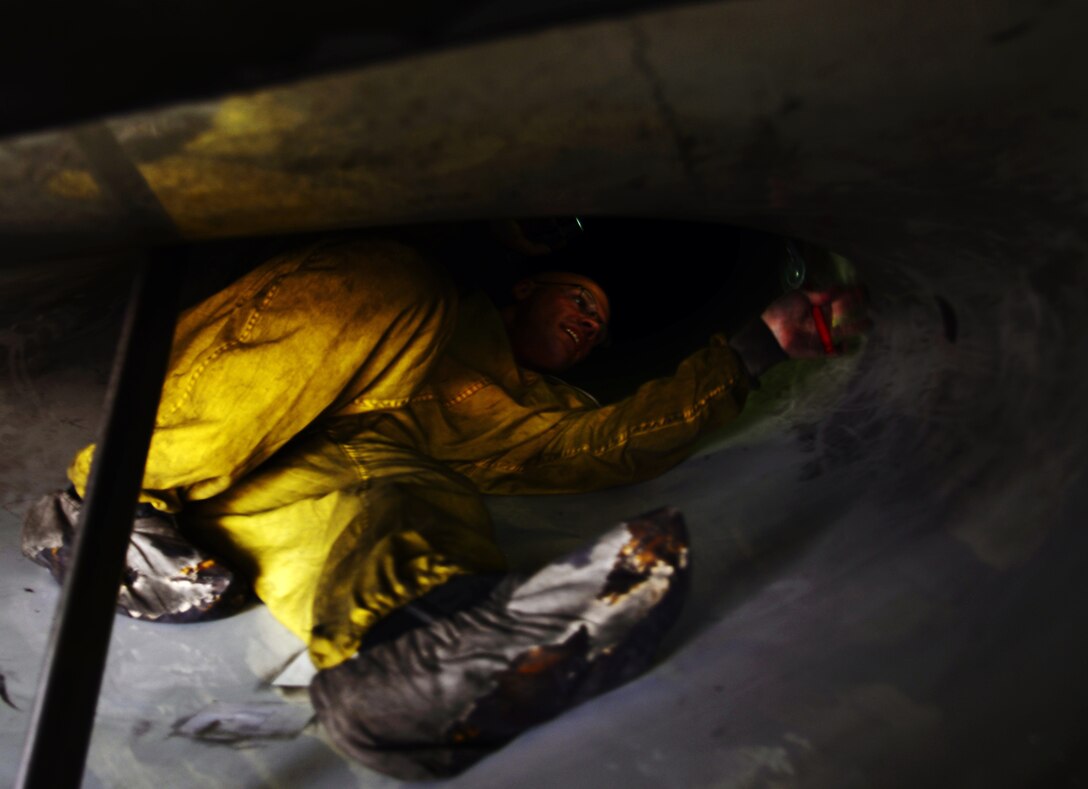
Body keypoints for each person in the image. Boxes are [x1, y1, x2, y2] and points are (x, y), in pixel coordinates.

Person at [22, 232, 869, 778]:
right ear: (523, 289)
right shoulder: (441, 315)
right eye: (577, 299)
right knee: (391, 282)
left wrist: (759, 346)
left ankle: (409, 664)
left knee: (409, 497)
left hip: (278, 506)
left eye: (598, 327)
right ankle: (107, 507)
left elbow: (607, 442)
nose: (585, 326)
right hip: (239, 419)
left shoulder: (529, 413)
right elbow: (338, 308)